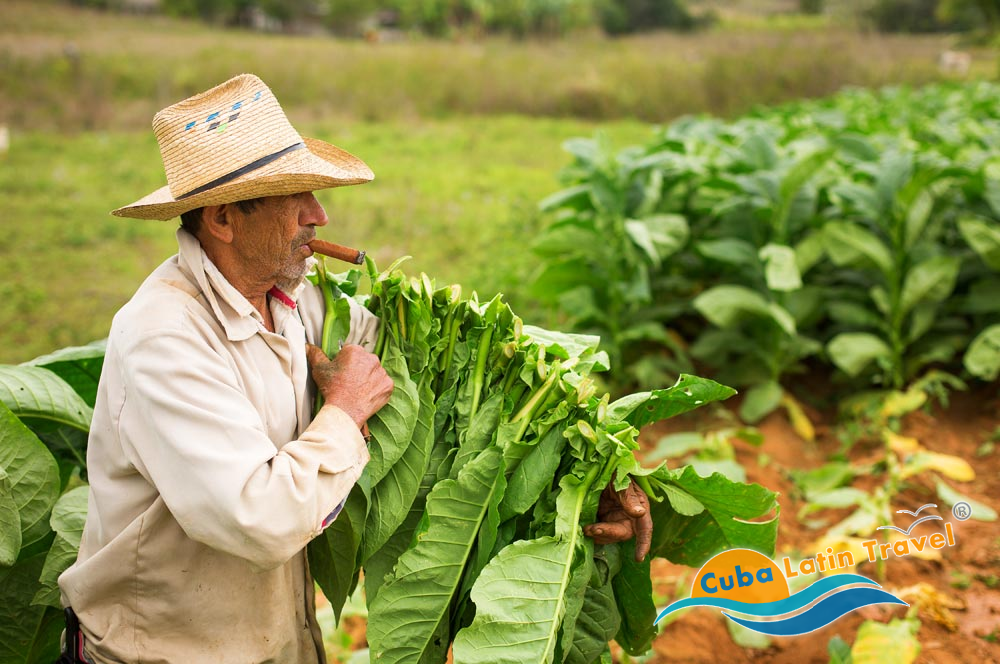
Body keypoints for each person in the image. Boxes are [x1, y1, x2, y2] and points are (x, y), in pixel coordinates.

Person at [57, 74, 650, 663]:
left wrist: (592, 476)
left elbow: (430, 373)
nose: (320, 216)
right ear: (222, 220)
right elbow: (257, 518)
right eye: (296, 201)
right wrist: (344, 410)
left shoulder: (299, 299)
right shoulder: (165, 336)